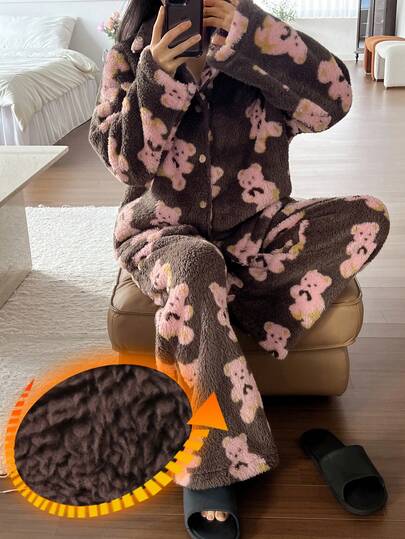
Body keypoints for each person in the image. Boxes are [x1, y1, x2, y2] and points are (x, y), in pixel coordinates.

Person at [88, 0, 390, 536]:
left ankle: (221, 307)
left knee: (368, 216)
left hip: (255, 232)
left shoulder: (259, 41)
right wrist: (156, 75)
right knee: (196, 261)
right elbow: (126, 164)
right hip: (164, 236)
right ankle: (208, 461)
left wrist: (253, 36)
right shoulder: (129, 54)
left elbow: (336, 101)